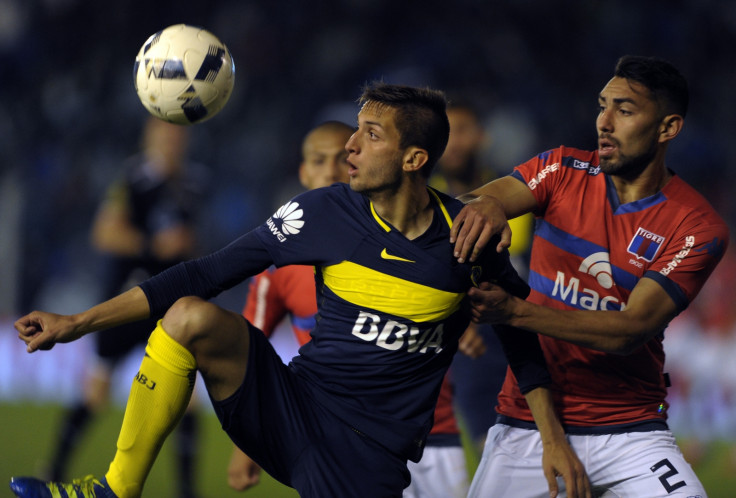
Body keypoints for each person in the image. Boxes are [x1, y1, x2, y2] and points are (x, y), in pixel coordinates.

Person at [10, 83, 589, 498]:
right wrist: (76, 322)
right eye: (353, 132)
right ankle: (116, 489)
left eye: (370, 134)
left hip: (370, 456)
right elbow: (205, 272)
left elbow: (521, 333)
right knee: (189, 314)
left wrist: (552, 439)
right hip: (294, 406)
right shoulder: (322, 212)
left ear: (414, 158)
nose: (350, 149)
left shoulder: (468, 238)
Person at [450, 55, 729, 497]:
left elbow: (629, 331)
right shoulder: (561, 170)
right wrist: (483, 205)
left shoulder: (696, 225)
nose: (604, 121)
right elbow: (473, 204)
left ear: (668, 128)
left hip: (631, 429)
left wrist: (514, 312)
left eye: (625, 110)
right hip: (529, 422)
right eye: (603, 105)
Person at [225, 120, 481, 498]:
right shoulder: (277, 269)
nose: (329, 171)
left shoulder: (411, 233)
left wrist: (458, 318)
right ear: (303, 171)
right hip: (338, 441)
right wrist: (243, 447)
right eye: (318, 161)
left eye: (338, 160)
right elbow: (249, 355)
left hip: (430, 435)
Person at [44, 116, 208, 498]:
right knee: (95, 394)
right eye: (164, 135)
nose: (172, 142)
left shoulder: (194, 183)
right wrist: (154, 246)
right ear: (149, 139)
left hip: (170, 308)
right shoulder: (132, 181)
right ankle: (53, 468)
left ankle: (186, 491)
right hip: (127, 302)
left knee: (189, 401)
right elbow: (104, 233)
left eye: (177, 135)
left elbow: (190, 243)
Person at [430, 99, 535, 455]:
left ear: (482, 137)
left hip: (528, 328)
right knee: (491, 448)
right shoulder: (425, 203)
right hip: (471, 342)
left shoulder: (518, 192)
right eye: (446, 135)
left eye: (462, 131)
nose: (454, 143)